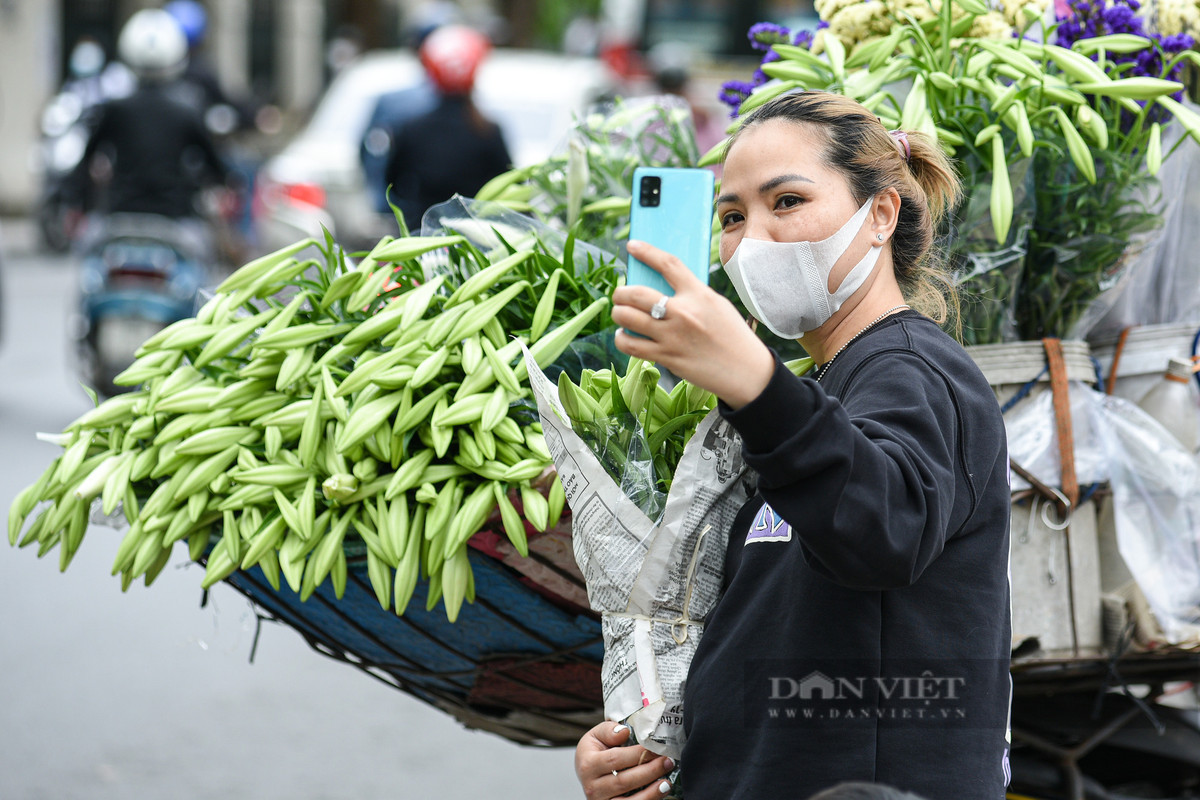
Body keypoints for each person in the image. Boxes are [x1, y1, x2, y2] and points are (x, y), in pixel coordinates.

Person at [574, 90, 1012, 799]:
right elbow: (771, 629)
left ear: (880, 215)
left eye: (787, 201)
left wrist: (755, 381)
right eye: (732, 217)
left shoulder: (917, 371)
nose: (752, 239)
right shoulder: (818, 390)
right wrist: (652, 761)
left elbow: (882, 531)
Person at [66, 8, 230, 260]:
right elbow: (216, 168)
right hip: (177, 221)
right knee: (205, 267)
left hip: (118, 220)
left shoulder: (114, 109)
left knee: (88, 266)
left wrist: (79, 206)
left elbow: (86, 162)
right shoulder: (187, 111)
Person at [382, 24, 512, 232]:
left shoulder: (412, 129)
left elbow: (393, 183)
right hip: (478, 238)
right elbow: (509, 184)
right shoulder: (488, 130)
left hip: (424, 236)